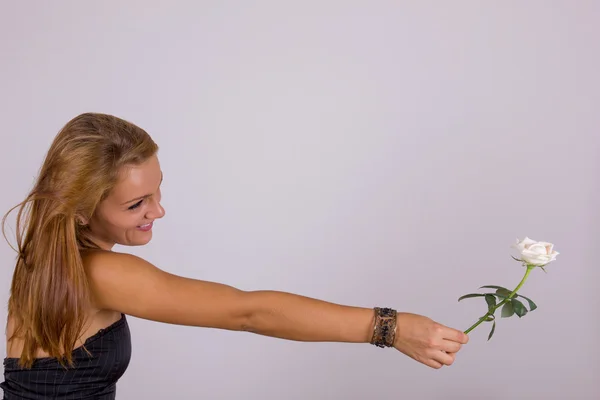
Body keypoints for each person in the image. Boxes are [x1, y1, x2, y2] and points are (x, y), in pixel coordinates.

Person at [1, 113, 469, 399]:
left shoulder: (44, 256)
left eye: (157, 190)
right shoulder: (102, 273)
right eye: (135, 204)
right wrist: (390, 327)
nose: (158, 211)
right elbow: (248, 312)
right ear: (80, 210)